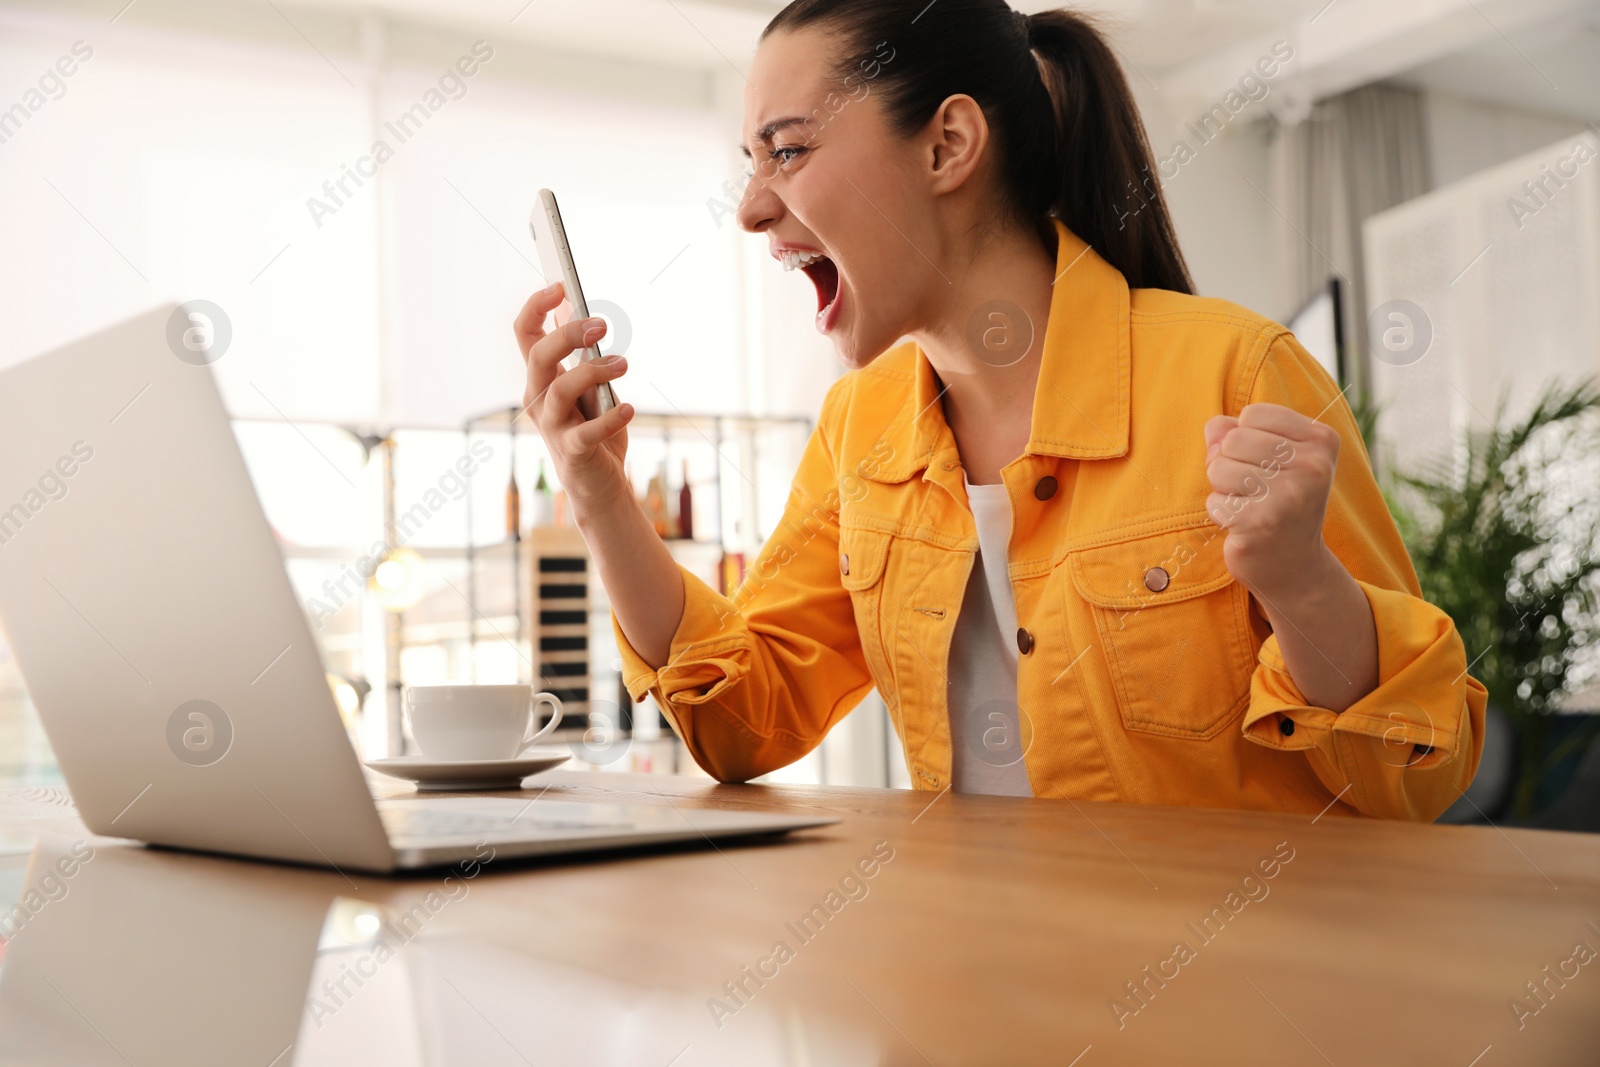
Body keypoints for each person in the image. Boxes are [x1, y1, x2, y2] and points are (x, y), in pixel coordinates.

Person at [515, 0, 1486, 820]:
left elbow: (1414, 777)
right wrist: (598, 493)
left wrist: (1303, 583)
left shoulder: (1238, 372)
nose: (751, 208)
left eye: (789, 151)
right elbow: (741, 724)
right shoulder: (861, 423)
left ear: (947, 144)